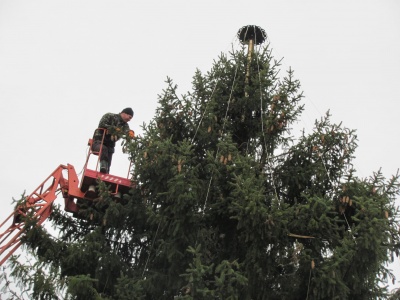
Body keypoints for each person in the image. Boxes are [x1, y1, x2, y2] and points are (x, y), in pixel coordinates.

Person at [92, 107, 134, 173]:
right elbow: (102, 124)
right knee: (103, 149)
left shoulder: (125, 125)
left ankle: (105, 175)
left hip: (110, 146)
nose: (129, 119)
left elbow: (127, 131)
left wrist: (130, 133)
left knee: (108, 161)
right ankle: (103, 168)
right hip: (99, 142)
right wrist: (114, 129)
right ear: (124, 113)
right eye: (129, 117)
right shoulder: (109, 116)